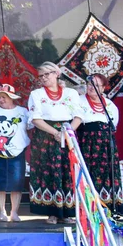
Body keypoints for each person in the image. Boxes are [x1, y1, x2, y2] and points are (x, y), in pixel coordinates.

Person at [27, 62, 83, 224]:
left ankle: (68, 211)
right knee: (48, 171)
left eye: (47, 74)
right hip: (45, 135)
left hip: (67, 133)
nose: (44, 78)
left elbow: (79, 115)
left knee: (68, 171)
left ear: (57, 74)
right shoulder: (36, 94)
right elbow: (36, 118)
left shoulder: (71, 93)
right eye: (41, 76)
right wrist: (56, 133)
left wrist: (67, 133)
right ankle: (52, 211)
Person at [76, 74, 123, 213]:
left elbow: (114, 123)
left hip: (105, 144)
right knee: (87, 173)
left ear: (103, 88)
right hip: (86, 141)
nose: (92, 88)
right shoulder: (79, 101)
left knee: (106, 173)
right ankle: (84, 208)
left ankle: (107, 207)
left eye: (97, 85)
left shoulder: (109, 104)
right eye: (90, 84)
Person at [0, 84, 29, 223]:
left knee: (17, 183)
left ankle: (14, 212)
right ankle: (2, 212)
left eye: (4, 97)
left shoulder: (23, 111)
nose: (1, 100)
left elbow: (29, 127)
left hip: (18, 151)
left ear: (12, 98)